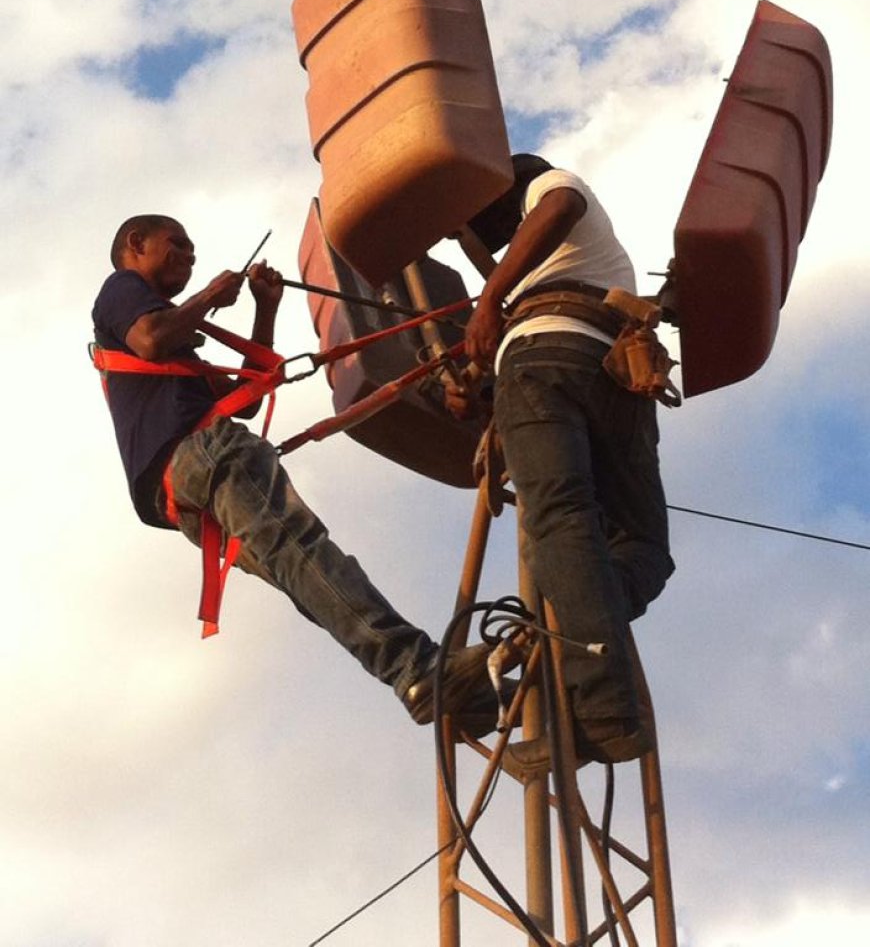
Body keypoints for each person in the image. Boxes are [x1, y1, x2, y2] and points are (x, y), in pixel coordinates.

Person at [92, 214, 498, 732]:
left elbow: (242, 399)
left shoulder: (171, 348)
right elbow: (151, 338)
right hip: (198, 459)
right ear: (136, 244)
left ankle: (442, 691)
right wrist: (211, 297)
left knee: (302, 570)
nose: (190, 258)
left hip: (181, 494)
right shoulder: (123, 292)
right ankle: (417, 668)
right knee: (304, 552)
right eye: (179, 245)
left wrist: (266, 308)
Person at [454, 155, 675, 764]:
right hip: (599, 374)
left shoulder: (550, 187)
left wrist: (488, 298)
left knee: (565, 525)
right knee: (623, 542)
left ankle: (600, 708)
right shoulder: (545, 270)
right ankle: (577, 630)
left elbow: (560, 204)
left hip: (557, 365)